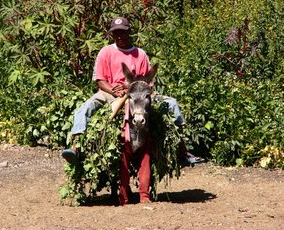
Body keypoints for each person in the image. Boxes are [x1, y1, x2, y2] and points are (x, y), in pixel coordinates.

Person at [61, 16, 204, 203]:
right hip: (111, 93)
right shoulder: (106, 52)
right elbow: (99, 80)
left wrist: (142, 91)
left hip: (138, 95)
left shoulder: (140, 54)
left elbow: (147, 81)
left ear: (129, 32)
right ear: (112, 35)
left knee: (172, 103)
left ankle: (183, 150)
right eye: (115, 33)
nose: (119, 36)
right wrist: (113, 89)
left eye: (122, 32)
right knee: (85, 108)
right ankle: (76, 146)